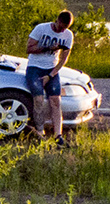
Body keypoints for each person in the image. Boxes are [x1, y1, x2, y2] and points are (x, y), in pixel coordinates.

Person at [25, 10, 76, 142]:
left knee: (55, 101)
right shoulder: (41, 28)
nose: (61, 30)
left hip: (51, 69)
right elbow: (29, 49)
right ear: (57, 20)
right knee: (39, 99)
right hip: (35, 68)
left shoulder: (68, 35)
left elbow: (64, 59)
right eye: (60, 27)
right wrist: (48, 48)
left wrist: (51, 75)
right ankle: (40, 131)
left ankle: (57, 135)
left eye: (65, 28)